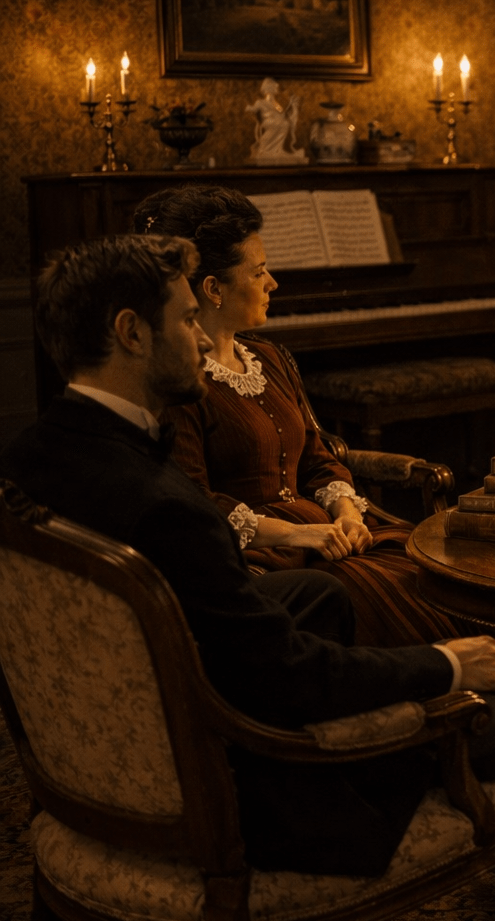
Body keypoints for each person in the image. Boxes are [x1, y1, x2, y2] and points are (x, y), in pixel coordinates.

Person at [1, 235, 495, 921]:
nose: (202, 341)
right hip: (248, 784)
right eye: (185, 319)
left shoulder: (24, 463)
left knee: (320, 591)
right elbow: (292, 678)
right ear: (130, 332)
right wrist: (444, 666)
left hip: (101, 756)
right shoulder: (170, 510)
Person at [129, 184, 461, 649]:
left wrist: (346, 512)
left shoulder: (270, 356)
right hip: (271, 558)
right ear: (213, 289)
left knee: (452, 572)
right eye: (260, 272)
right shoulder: (181, 384)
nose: (273, 284)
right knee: (406, 595)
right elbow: (198, 504)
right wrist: (304, 534)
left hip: (327, 536)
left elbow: (319, 457)